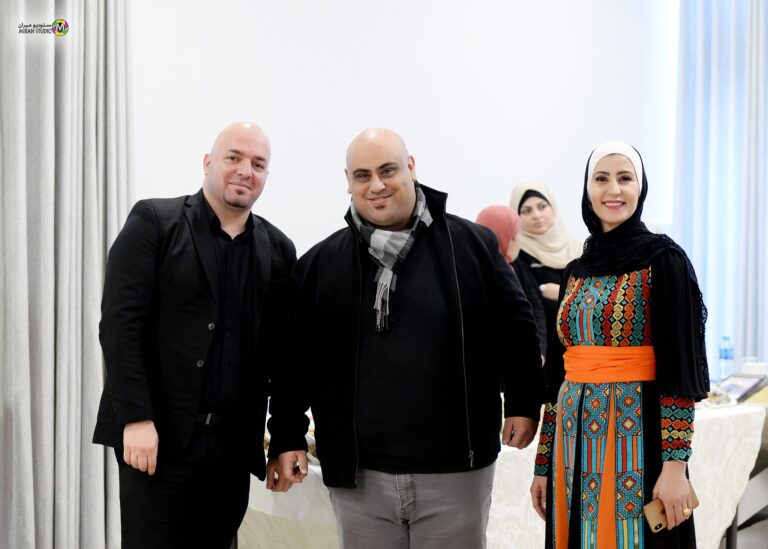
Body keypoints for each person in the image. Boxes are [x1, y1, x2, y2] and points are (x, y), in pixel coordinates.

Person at [266, 128, 544, 549]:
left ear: (411, 168)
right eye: (363, 175)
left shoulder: (471, 246)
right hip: (360, 478)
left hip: (456, 473)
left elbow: (516, 326)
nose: (376, 185)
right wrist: (287, 434)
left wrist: (523, 401)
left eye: (388, 170)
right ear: (348, 181)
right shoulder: (320, 264)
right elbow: (295, 361)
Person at [92, 122, 296, 548]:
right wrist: (136, 418)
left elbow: (283, 354)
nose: (245, 171)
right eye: (233, 157)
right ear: (208, 162)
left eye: (258, 164)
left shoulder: (278, 249)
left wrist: (285, 438)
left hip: (230, 448)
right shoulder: (153, 222)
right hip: (157, 440)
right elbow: (120, 326)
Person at [529, 141, 709, 548]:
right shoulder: (576, 270)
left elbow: (680, 371)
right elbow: (557, 376)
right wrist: (543, 464)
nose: (613, 190)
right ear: (587, 189)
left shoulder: (664, 261)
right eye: (601, 179)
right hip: (571, 446)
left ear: (640, 188)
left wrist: (675, 467)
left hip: (640, 437)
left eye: (625, 178)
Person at [510, 182, 582, 348]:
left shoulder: (578, 249)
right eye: (526, 211)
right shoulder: (517, 254)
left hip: (582, 343)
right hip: (544, 345)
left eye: (542, 207)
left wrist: (562, 293)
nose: (536, 215)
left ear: (553, 207)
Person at [476, 205, 547, 358]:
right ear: (507, 237)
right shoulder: (477, 275)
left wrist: (539, 349)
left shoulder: (515, 265)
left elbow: (535, 304)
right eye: (517, 233)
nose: (519, 239)